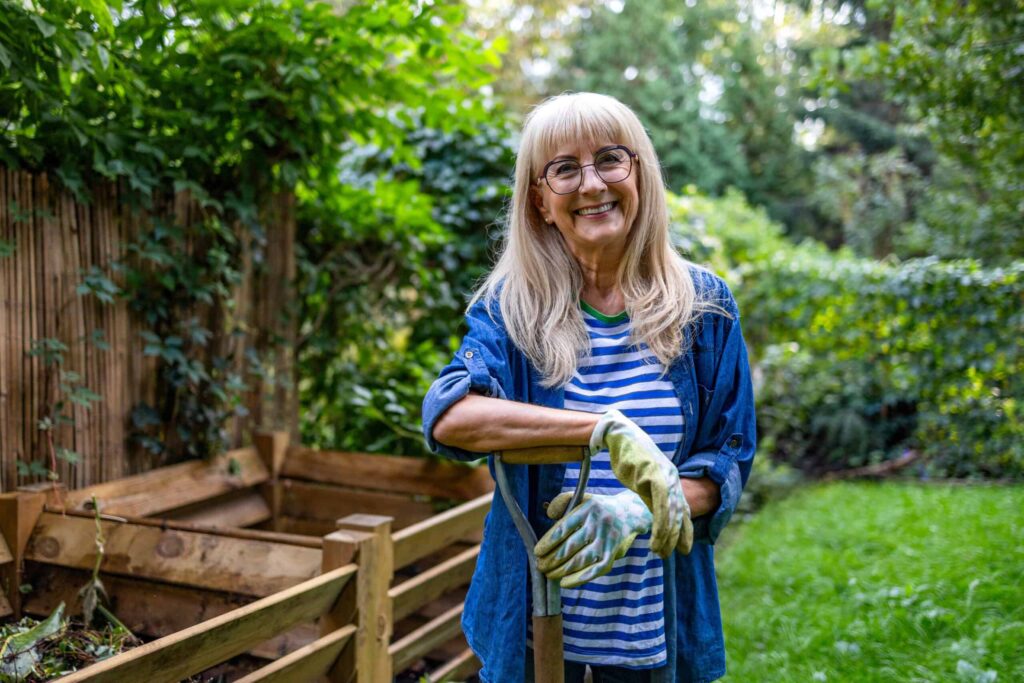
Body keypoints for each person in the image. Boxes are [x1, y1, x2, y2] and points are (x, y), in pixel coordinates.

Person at [421, 92, 756, 683]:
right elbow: (450, 417)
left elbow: (726, 464)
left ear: (641, 176)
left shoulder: (706, 308)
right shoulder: (512, 311)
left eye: (610, 159)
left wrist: (639, 506)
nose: (592, 183)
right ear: (541, 202)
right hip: (537, 636)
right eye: (564, 169)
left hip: (658, 635)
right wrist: (603, 430)